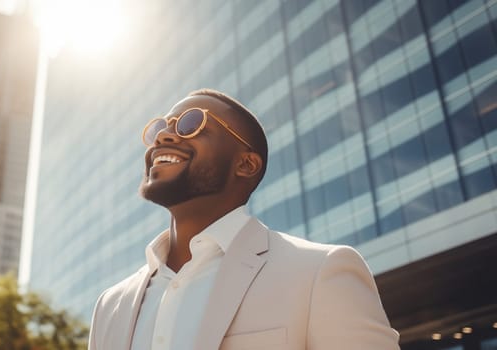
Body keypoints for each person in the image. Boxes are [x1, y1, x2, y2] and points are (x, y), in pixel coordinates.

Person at [89, 89, 400, 350]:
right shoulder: (110, 305)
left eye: (191, 124)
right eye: (161, 128)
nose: (164, 137)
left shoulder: (320, 272)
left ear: (246, 164)